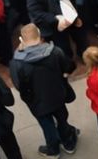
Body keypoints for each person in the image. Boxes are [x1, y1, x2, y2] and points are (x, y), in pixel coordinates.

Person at [9, 23, 80, 157]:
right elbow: (69, 67)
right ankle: (68, 142)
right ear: (40, 36)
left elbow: (18, 85)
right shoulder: (55, 52)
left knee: (46, 125)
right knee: (62, 119)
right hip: (58, 95)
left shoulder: (16, 63)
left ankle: (53, 149)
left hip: (36, 101)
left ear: (22, 40)